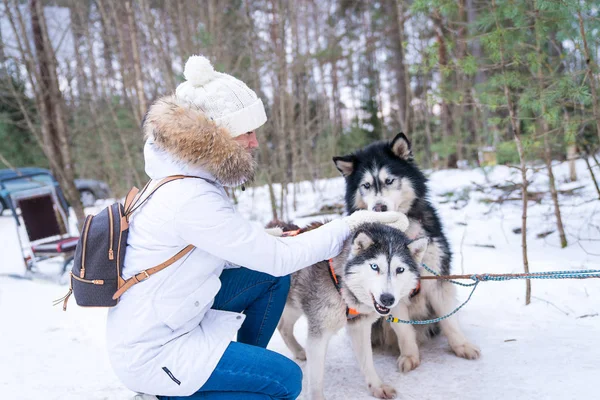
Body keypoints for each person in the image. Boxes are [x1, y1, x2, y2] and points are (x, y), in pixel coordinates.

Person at [106, 55, 401, 400]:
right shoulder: (190, 196)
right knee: (285, 381)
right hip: (157, 351)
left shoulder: (183, 180)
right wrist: (351, 223)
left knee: (270, 280)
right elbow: (277, 258)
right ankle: (176, 393)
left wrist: (264, 239)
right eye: (246, 131)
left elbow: (237, 255)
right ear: (216, 137)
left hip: (174, 316)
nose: (255, 141)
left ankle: (239, 372)